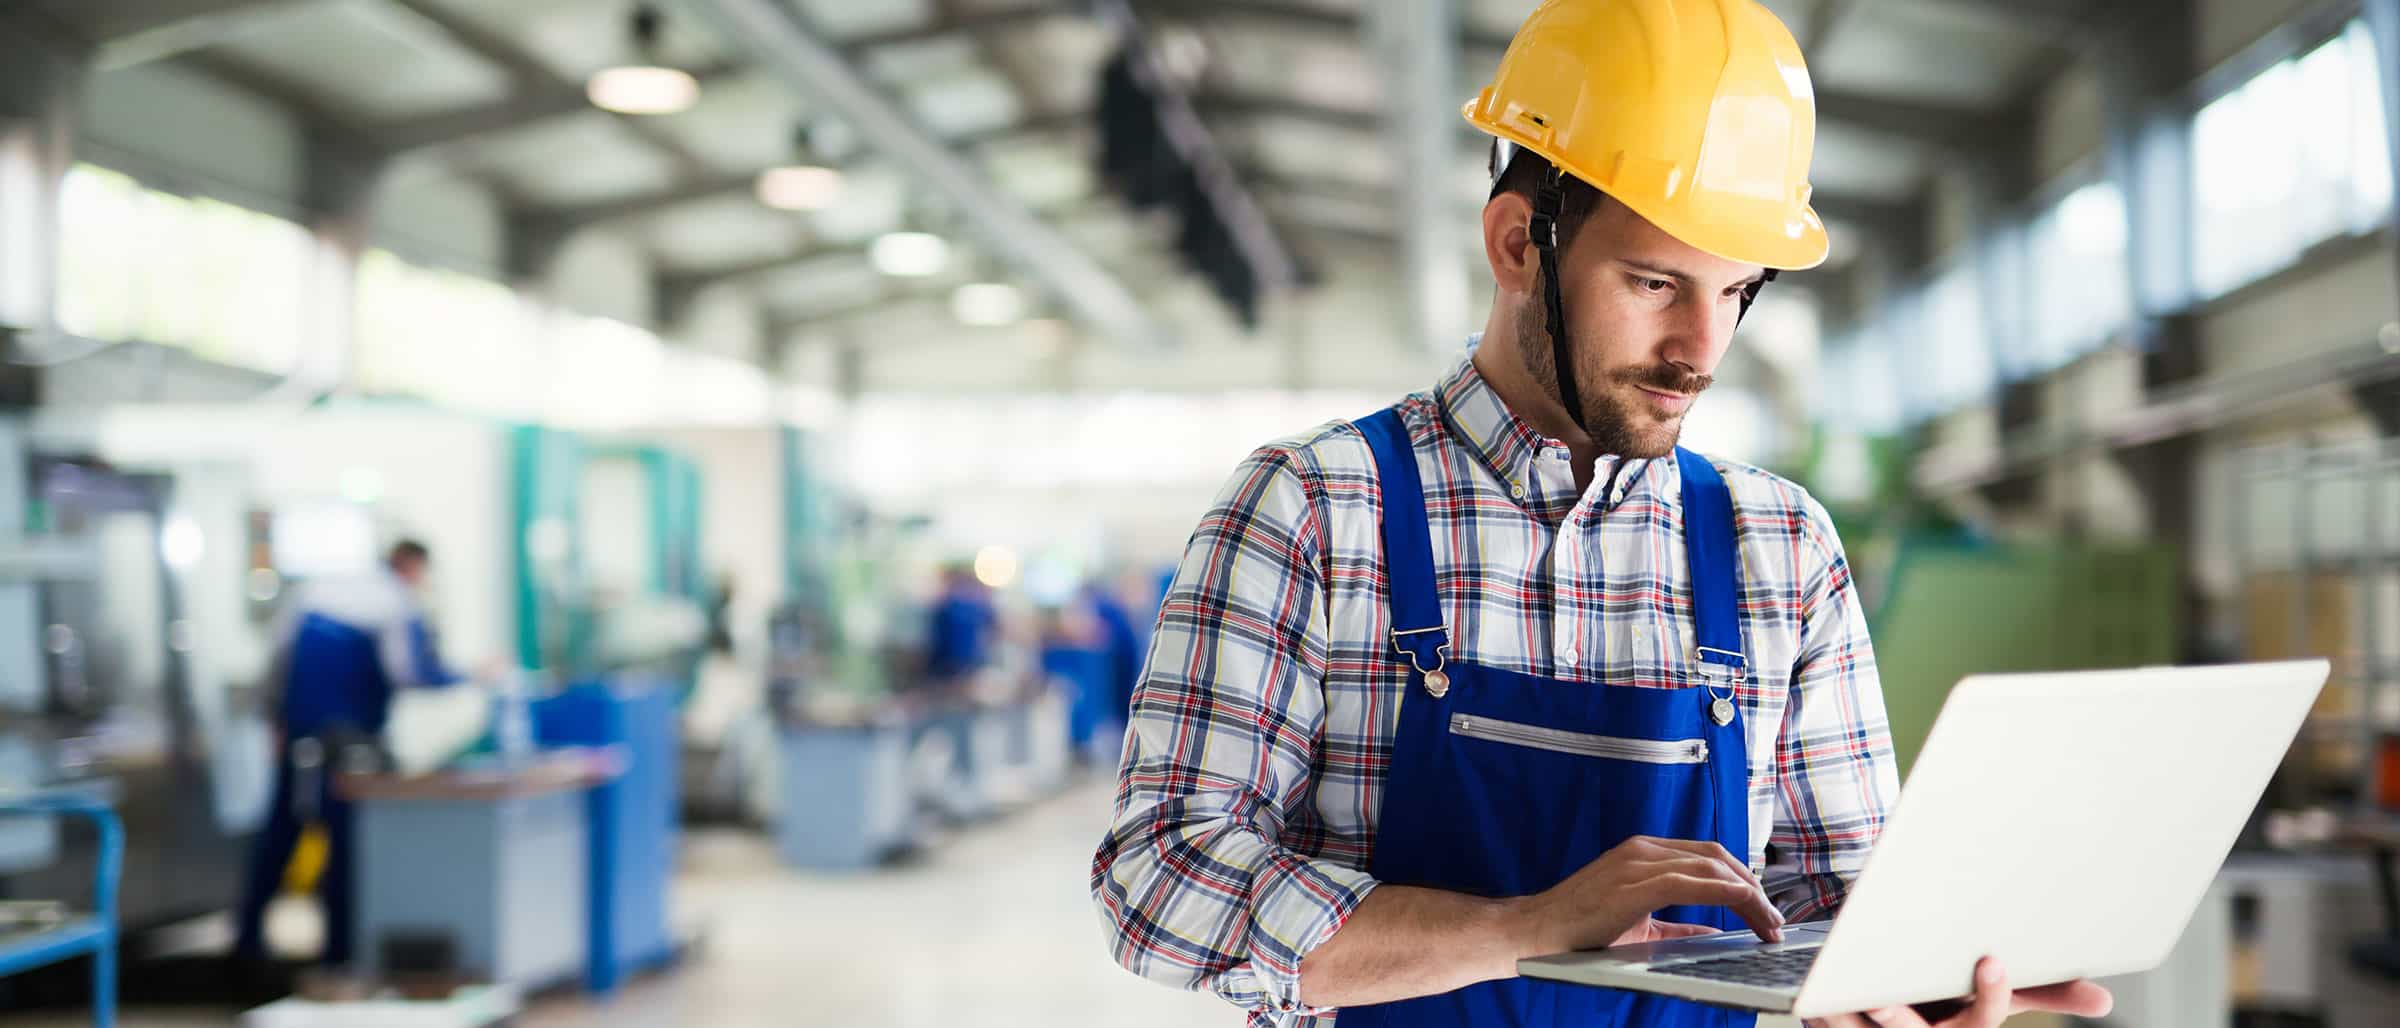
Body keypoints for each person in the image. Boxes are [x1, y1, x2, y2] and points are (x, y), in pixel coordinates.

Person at [1089, 3, 2114, 1027]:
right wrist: (1525, 928)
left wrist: (1903, 991)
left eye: (1736, 292)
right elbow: (1159, 879)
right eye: (1655, 280)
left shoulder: (1782, 547)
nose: (1699, 349)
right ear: (1515, 245)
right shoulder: (1315, 506)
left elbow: (1830, 899)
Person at [234, 539, 467, 967]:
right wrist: (468, 674)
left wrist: (274, 722)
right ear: (413, 567)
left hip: (300, 737)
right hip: (351, 750)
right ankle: (340, 955)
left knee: (279, 839)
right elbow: (410, 672)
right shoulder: (397, 604)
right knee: (345, 849)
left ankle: (247, 945)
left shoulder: (316, 592)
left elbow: (274, 664)